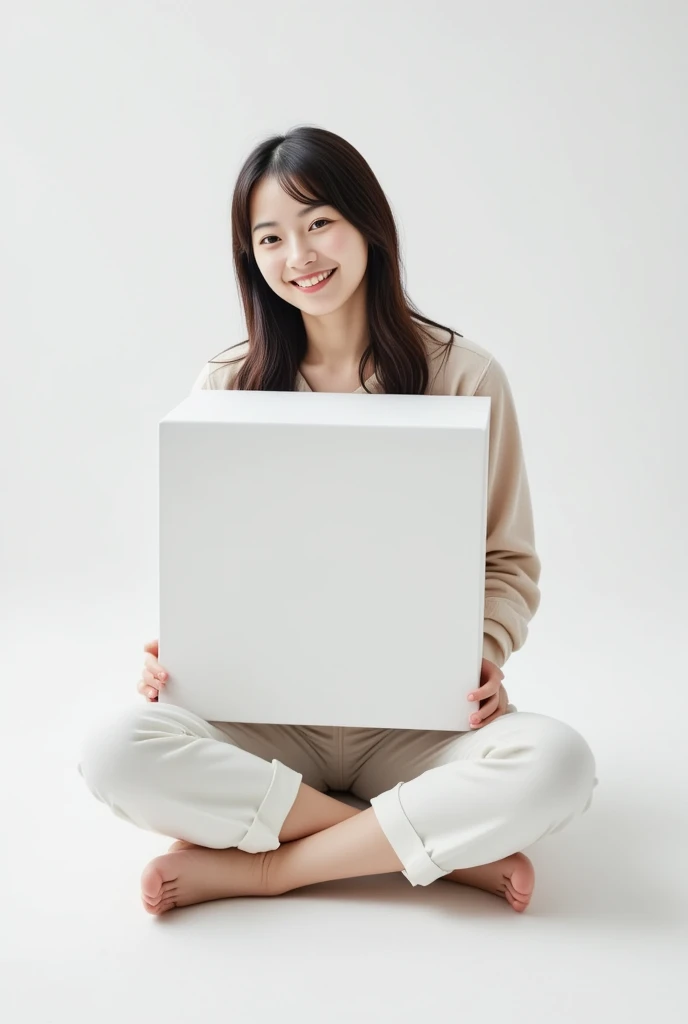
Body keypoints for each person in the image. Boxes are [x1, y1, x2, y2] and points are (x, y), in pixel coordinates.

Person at [77, 125, 598, 917]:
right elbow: (209, 557)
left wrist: (483, 653)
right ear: (249, 256)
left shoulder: (464, 374)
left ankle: (271, 867)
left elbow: (507, 561)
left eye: (319, 222)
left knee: (557, 762)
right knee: (113, 750)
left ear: (367, 226)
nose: (300, 255)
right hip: (266, 716)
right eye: (270, 237)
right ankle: (421, 851)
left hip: (420, 720)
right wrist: (178, 644)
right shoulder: (225, 384)